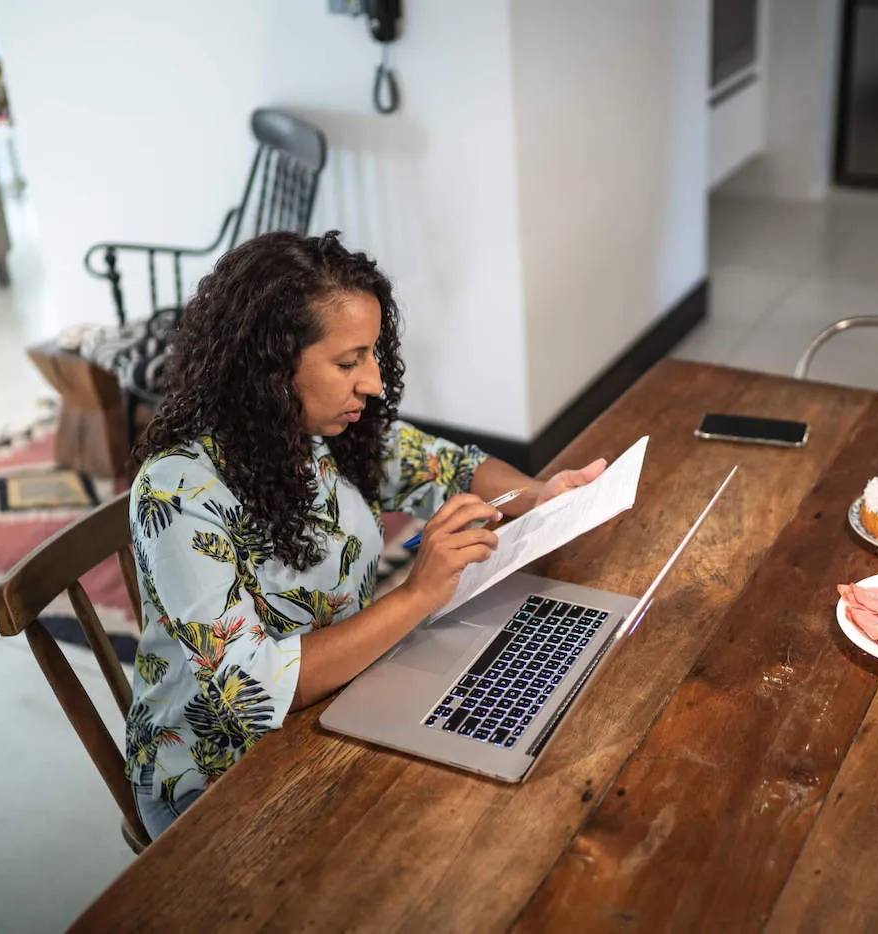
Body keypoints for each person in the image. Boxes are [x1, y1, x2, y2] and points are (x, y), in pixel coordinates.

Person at [125, 231, 605, 837]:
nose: (373, 382)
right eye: (349, 362)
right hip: (217, 774)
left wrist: (540, 495)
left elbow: (449, 466)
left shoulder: (323, 430)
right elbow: (250, 690)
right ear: (268, 367)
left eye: (373, 354)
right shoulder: (179, 492)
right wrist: (415, 595)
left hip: (344, 694)